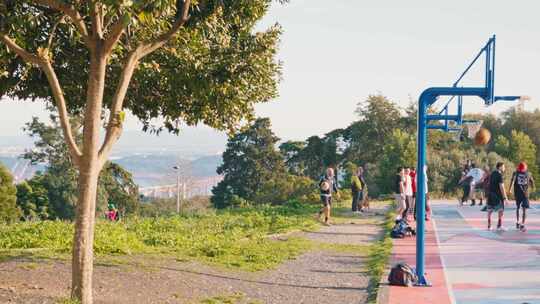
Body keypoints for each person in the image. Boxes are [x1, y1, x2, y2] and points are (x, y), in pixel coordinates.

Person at [509, 162, 535, 231]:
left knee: (524, 209)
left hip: (525, 194)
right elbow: (512, 181)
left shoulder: (528, 174)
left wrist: (532, 188)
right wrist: (510, 189)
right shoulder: (516, 173)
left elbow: (532, 181)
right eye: (521, 169)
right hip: (518, 193)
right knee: (517, 207)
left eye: (522, 169)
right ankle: (517, 222)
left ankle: (522, 224)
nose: (521, 170)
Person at [486, 162, 509, 231]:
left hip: (490, 194)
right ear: (500, 167)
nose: (504, 168)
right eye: (503, 167)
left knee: (490, 210)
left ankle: (489, 226)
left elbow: (489, 183)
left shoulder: (492, 173)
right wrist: (505, 198)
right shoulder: (499, 175)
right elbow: (502, 187)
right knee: (501, 210)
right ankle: (499, 226)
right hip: (497, 195)